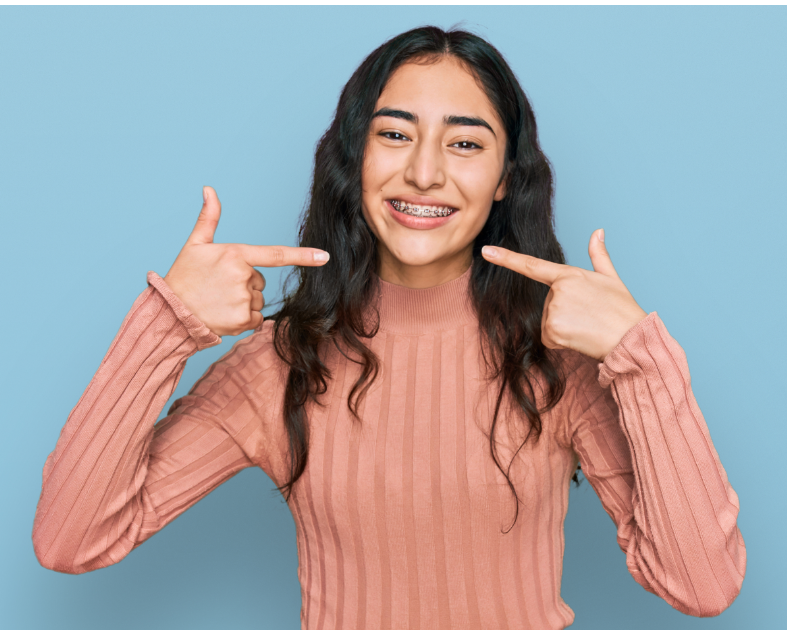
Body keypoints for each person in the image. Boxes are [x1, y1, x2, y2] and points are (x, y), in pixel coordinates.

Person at [32, 26, 746, 629]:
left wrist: (638, 359)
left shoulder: (558, 360)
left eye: (464, 144)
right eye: (394, 135)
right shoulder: (282, 364)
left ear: (505, 178)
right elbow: (73, 540)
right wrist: (166, 326)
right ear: (355, 158)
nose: (425, 172)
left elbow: (700, 587)